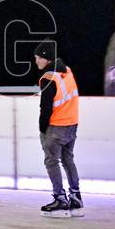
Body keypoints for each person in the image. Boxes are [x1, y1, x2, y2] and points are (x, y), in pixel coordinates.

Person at [34, 42, 83, 218]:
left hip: (56, 127)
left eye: (38, 57)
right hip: (72, 124)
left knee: (51, 161)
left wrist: (42, 129)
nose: (36, 61)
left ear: (45, 58)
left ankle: (60, 199)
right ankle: (75, 198)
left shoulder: (48, 78)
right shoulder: (67, 71)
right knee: (68, 159)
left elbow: (45, 108)